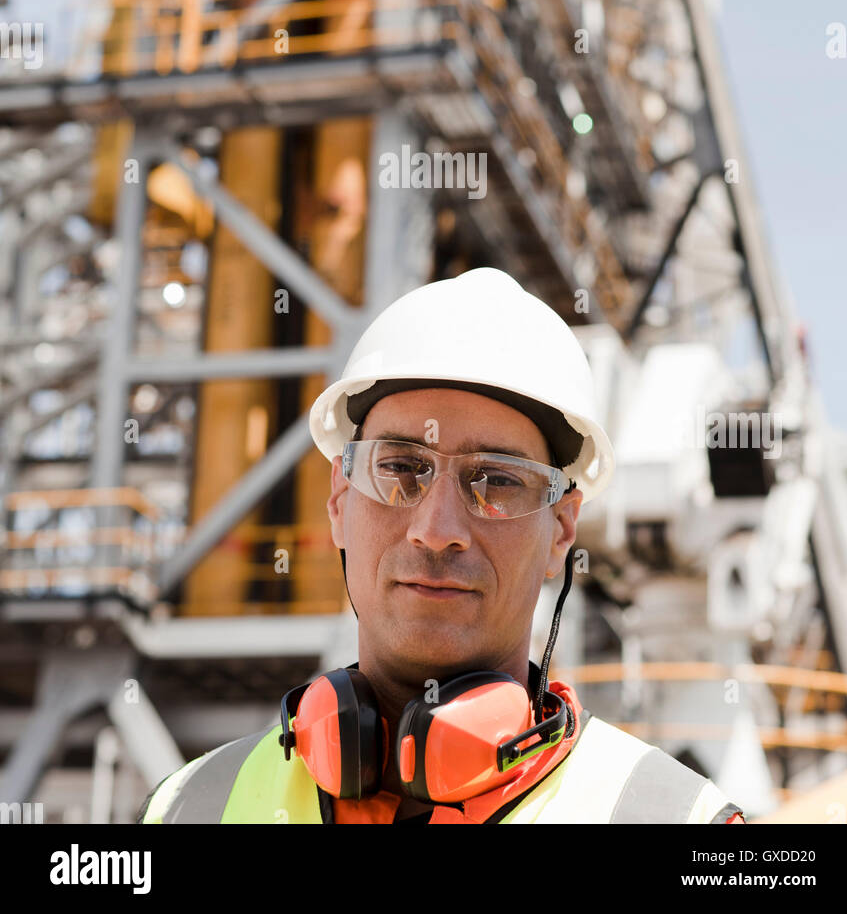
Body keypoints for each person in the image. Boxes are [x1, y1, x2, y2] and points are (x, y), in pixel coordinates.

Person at [138, 267, 744, 824]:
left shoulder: (670, 818)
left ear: (562, 528)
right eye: (401, 469)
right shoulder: (185, 809)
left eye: (498, 481)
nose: (435, 528)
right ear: (339, 502)